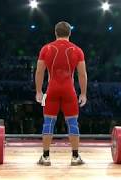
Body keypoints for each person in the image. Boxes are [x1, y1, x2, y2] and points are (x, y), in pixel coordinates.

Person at [35, 21, 88, 166]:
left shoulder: (46, 48)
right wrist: (83, 94)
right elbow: (82, 75)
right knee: (72, 122)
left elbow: (40, 71)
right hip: (69, 90)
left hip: (51, 90)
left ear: (55, 32)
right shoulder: (77, 50)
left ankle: (45, 157)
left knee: (48, 122)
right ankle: (75, 157)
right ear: (70, 33)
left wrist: (39, 91)